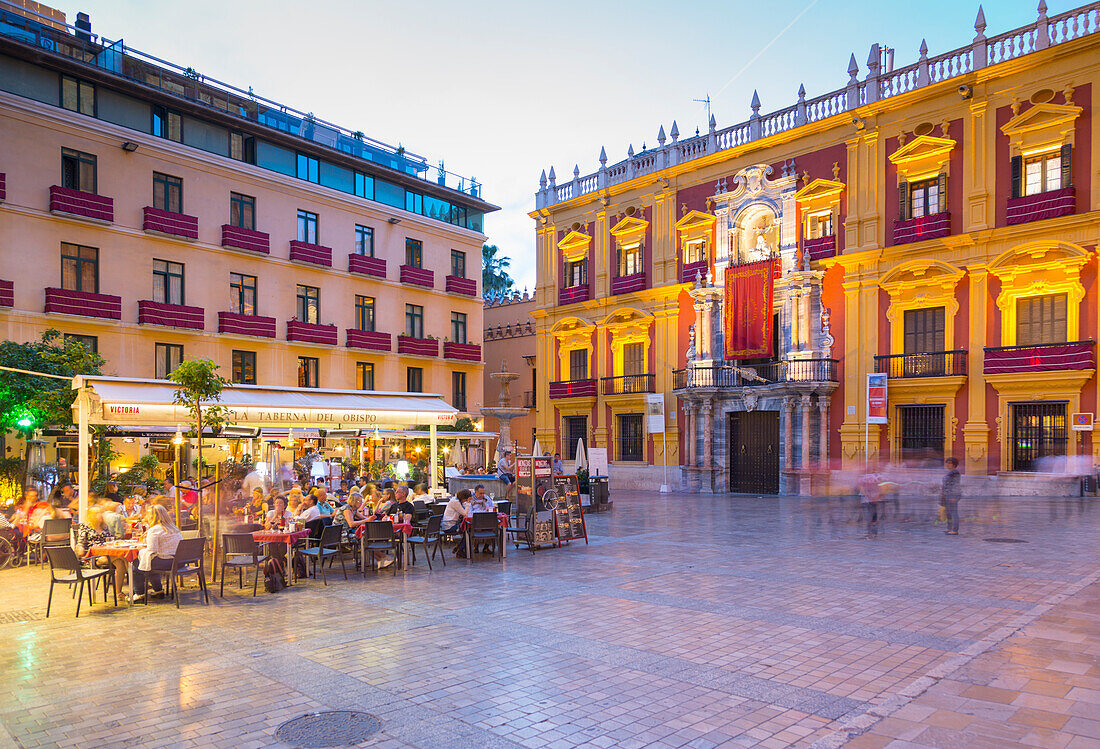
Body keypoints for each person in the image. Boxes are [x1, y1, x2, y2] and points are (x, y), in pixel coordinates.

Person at [131, 505, 182, 602]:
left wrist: (140, 548)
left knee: (137, 563)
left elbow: (152, 550)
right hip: (178, 561)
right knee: (149, 561)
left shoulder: (154, 530)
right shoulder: (174, 528)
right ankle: (158, 590)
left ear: (152, 517)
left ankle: (139, 594)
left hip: (166, 562)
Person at [443, 489, 471, 557]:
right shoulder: (455, 502)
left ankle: (459, 547)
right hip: (449, 526)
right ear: (464, 498)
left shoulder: (456, 500)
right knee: (468, 530)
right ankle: (460, 550)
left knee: (468, 529)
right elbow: (465, 514)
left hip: (452, 524)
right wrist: (468, 503)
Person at [858, 466, 883, 539]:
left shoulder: (865, 478)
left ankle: (871, 533)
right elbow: (879, 488)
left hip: (868, 499)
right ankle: (873, 533)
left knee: (870, 516)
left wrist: (870, 497)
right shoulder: (875, 477)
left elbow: (862, 488)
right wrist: (876, 497)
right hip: (872, 499)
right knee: (873, 516)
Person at [941, 456, 962, 536]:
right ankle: (949, 528)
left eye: (950, 463)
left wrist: (955, 496)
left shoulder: (955, 473)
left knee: (953, 512)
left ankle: (955, 530)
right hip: (947, 495)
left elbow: (956, 485)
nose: (948, 465)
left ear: (954, 465)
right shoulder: (950, 473)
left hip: (952, 495)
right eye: (947, 463)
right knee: (948, 512)